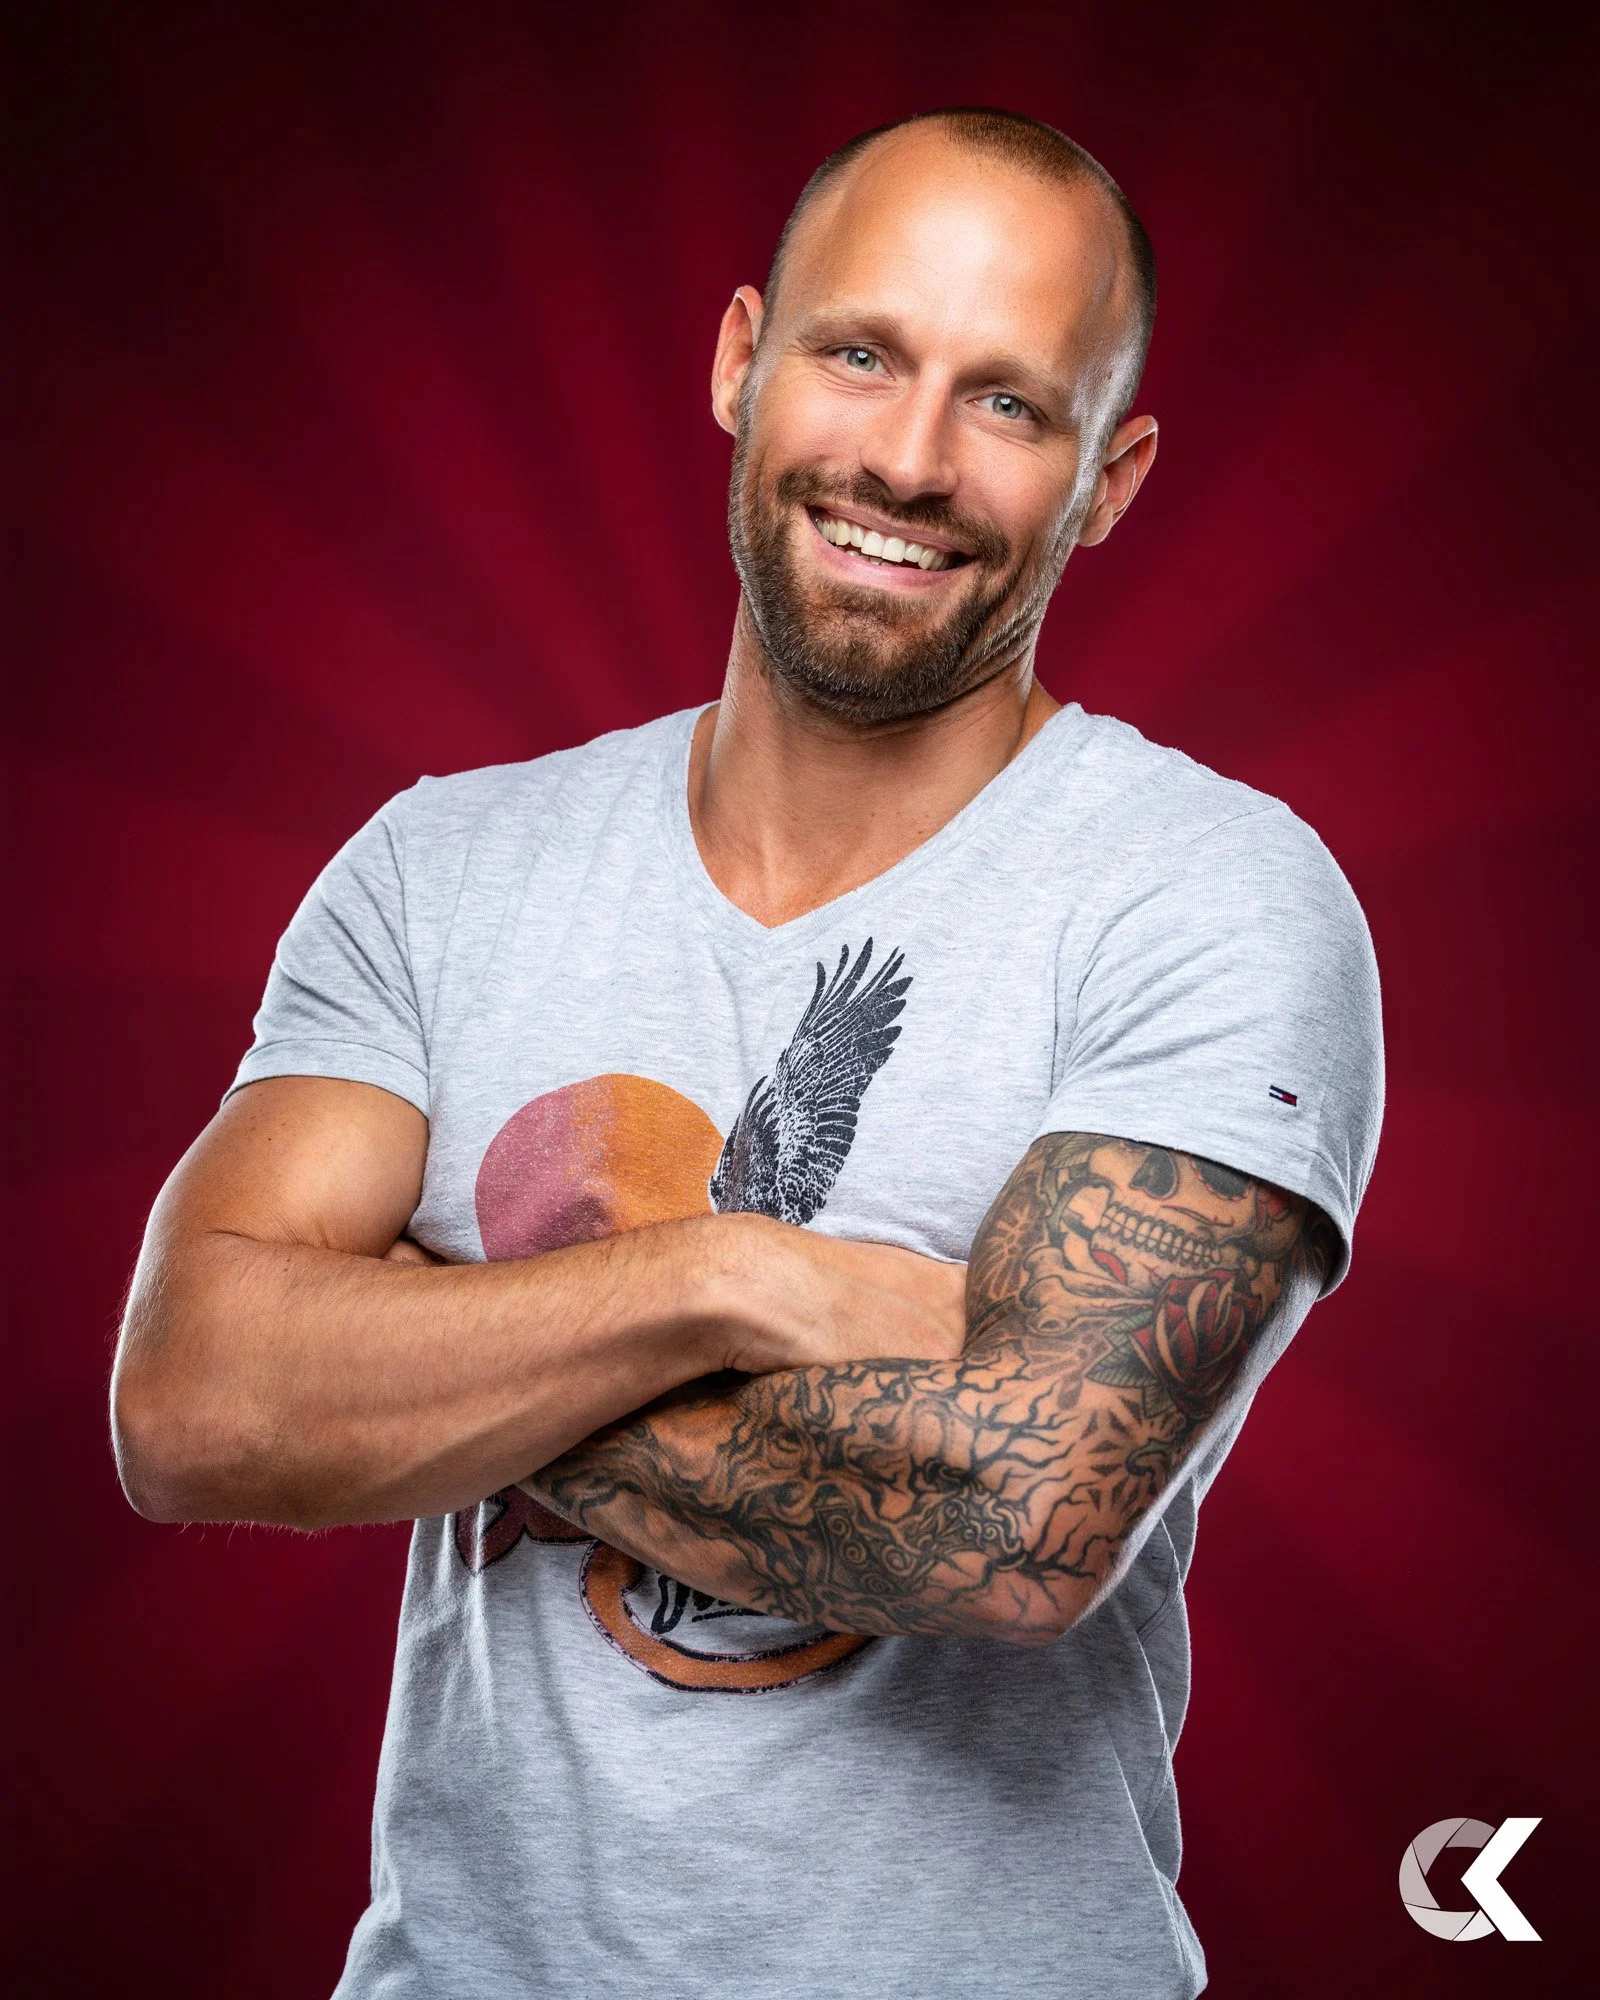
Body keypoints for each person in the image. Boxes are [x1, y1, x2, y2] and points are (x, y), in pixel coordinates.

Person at [112, 106, 1383, 1999]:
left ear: (1111, 478)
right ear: (740, 360)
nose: (908, 458)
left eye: (1009, 403)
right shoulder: (443, 867)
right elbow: (188, 1401)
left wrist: (421, 1341)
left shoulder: (1209, 895)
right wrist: (732, 1275)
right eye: (860, 353)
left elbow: (1015, 1523)